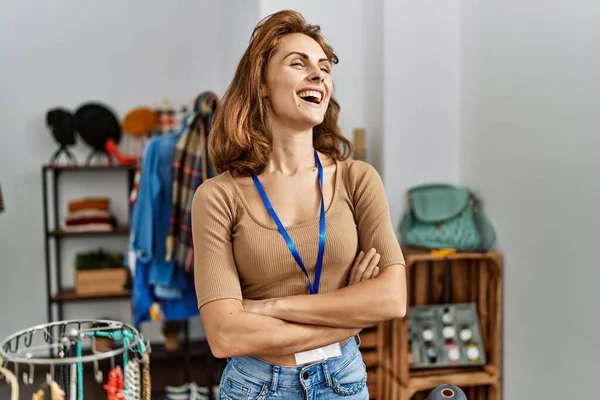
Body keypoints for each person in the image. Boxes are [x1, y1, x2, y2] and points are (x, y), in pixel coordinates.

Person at [191, 9, 407, 399]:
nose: (318, 75)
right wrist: (350, 317)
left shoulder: (359, 179)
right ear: (260, 84)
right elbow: (224, 335)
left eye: (324, 67)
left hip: (343, 379)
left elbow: (391, 298)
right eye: (298, 63)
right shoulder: (217, 196)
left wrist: (267, 306)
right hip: (256, 386)